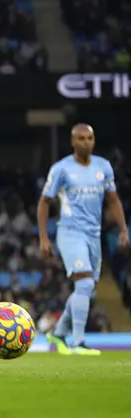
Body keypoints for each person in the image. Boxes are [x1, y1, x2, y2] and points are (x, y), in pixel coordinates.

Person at [38, 123, 128, 355]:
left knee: (85, 290)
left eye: (89, 138)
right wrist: (43, 238)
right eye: (81, 138)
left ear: (94, 140)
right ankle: (77, 343)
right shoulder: (61, 169)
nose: (85, 142)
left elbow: (113, 199)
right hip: (70, 232)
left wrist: (123, 229)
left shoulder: (103, 167)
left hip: (93, 235)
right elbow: (44, 202)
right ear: (73, 141)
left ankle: (57, 334)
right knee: (85, 284)